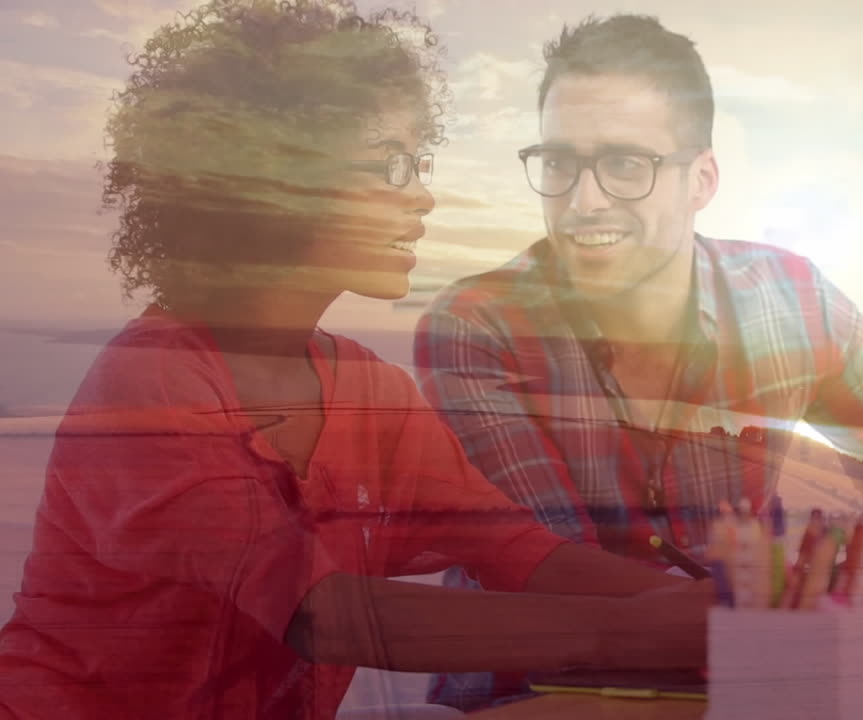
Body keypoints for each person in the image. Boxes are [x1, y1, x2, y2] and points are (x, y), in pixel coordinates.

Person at [0, 3, 709, 719]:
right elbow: (322, 616)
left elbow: (516, 550)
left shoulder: (371, 390)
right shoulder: (154, 383)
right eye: (392, 165)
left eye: (419, 165)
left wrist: (715, 612)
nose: (423, 197)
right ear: (270, 176)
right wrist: (640, 631)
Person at [414, 12, 863, 709]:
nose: (582, 201)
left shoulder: (794, 299)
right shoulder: (478, 323)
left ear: (702, 179)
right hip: (533, 694)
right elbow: (544, 562)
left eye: (624, 164)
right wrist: (773, 616)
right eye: (558, 163)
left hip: (744, 680)